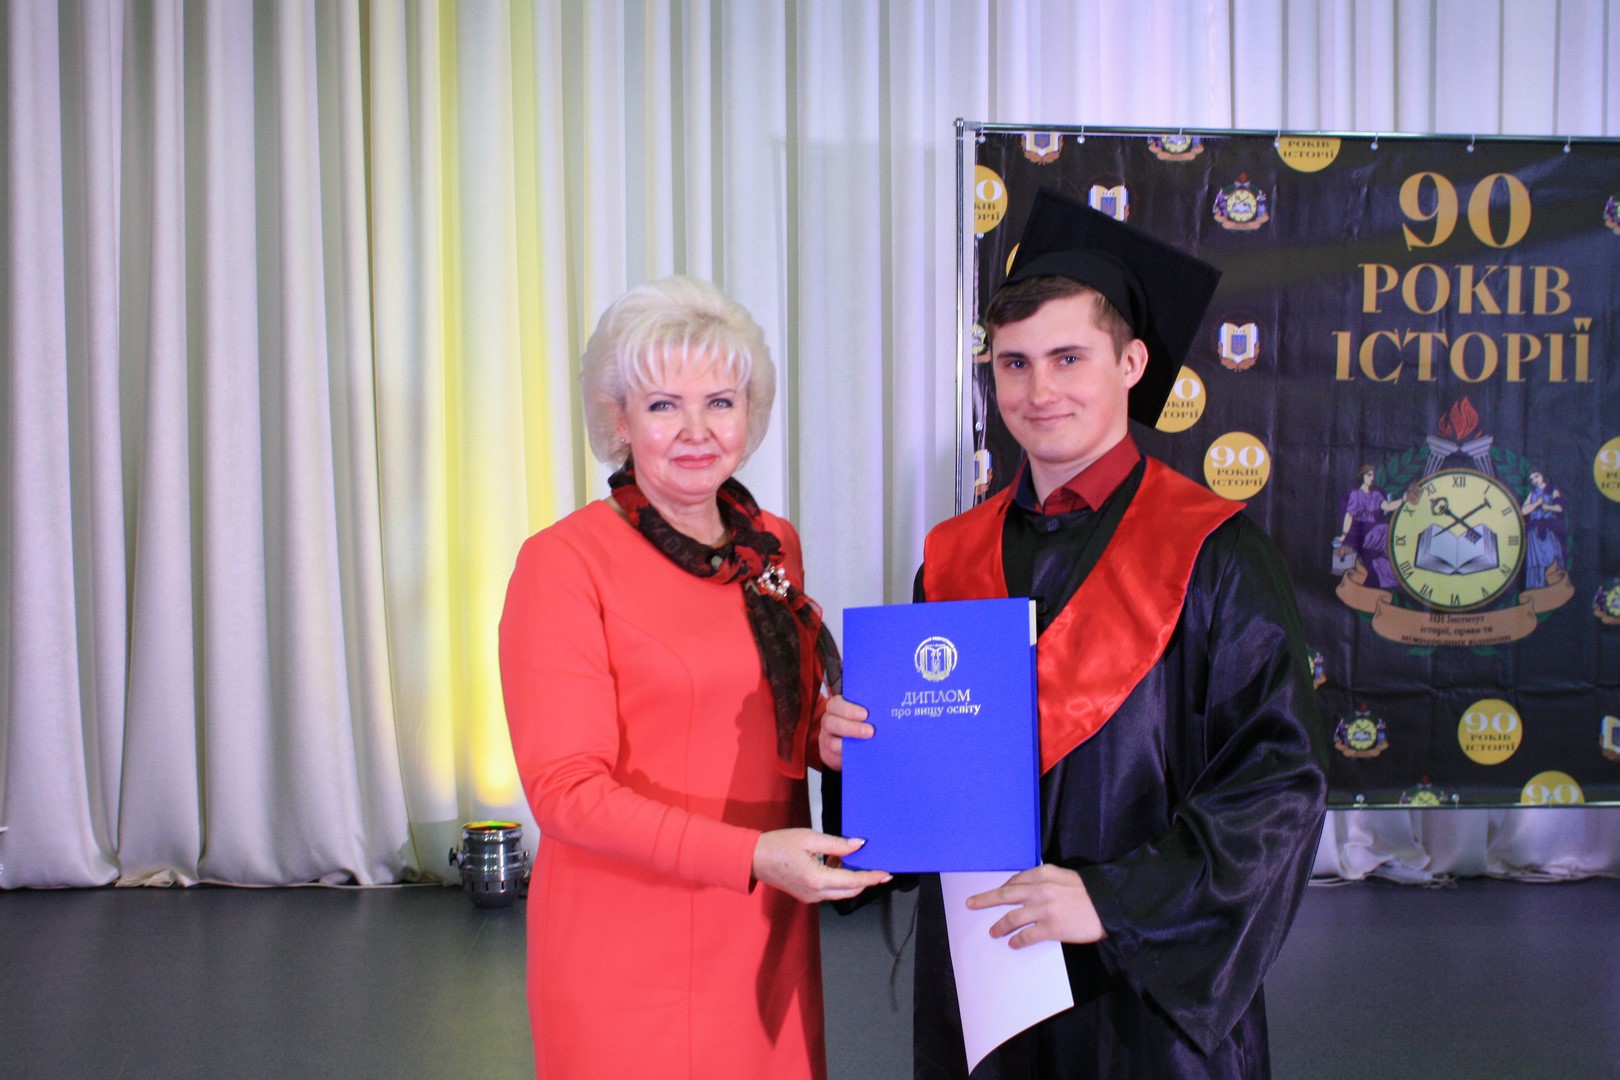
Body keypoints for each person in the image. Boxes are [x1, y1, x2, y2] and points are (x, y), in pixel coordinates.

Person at [821, 190, 1327, 1078]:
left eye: (1067, 358)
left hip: (1138, 988)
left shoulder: (1214, 552)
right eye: (1014, 364)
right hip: (985, 971)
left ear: (1132, 363)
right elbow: (931, 779)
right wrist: (856, 759)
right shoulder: (954, 557)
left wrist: (1115, 900)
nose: (1039, 390)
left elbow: (1278, 782)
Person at [499, 276, 890, 1080]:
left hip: (767, 928)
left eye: (719, 402)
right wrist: (751, 856)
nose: (696, 431)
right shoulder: (563, 563)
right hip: (629, 943)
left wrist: (822, 739)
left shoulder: (770, 544)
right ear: (618, 421)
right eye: (662, 405)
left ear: (751, 412)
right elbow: (566, 792)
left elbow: (764, 707)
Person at [1334, 464, 1404, 588]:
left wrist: (1403, 500)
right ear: (1362, 476)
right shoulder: (1356, 495)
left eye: (1373, 475)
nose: (1372, 478)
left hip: (1375, 529)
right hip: (1363, 533)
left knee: (1389, 533)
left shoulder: (1376, 495)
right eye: (1369, 475)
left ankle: (1387, 570)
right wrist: (1344, 535)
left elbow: (1388, 507)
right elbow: (1349, 516)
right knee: (1385, 530)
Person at [1520, 470, 1567, 589]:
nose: (1535, 480)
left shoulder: (1552, 490)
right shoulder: (1532, 493)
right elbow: (1524, 511)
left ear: (1543, 475)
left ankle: (1555, 584)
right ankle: (1538, 586)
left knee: (1552, 555)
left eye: (1536, 476)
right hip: (1534, 531)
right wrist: (1537, 503)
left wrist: (1546, 506)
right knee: (1537, 560)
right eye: (1532, 479)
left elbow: (1559, 508)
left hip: (1548, 528)